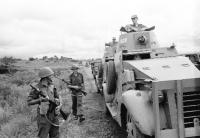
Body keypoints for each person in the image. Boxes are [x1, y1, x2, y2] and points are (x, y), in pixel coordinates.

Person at [27, 67, 62, 138]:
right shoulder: (37, 87)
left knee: (55, 135)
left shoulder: (52, 85)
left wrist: (59, 105)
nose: (52, 77)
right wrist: (40, 100)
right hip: (44, 117)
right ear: (46, 77)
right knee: (42, 136)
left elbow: (58, 96)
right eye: (50, 75)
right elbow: (29, 102)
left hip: (54, 114)